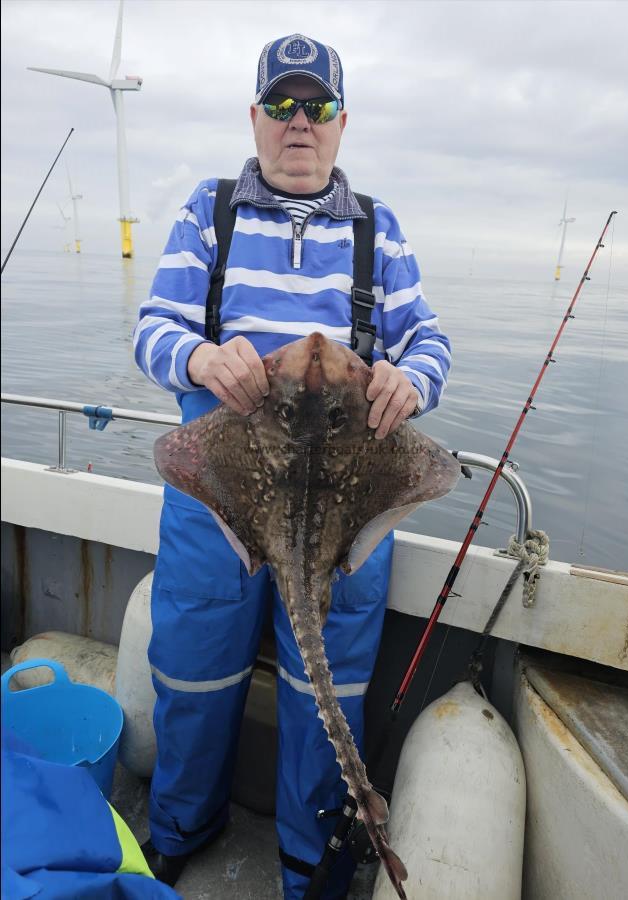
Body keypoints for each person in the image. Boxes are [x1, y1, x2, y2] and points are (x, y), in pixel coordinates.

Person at [133, 33, 451, 899]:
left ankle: (311, 865)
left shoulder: (376, 230)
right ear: (257, 118)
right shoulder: (210, 212)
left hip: (346, 509)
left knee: (326, 690)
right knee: (193, 667)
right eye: (282, 105)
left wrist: (407, 383)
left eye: (316, 106)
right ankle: (179, 829)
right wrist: (201, 362)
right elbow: (153, 328)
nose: (299, 122)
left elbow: (429, 341)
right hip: (222, 504)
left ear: (341, 122)